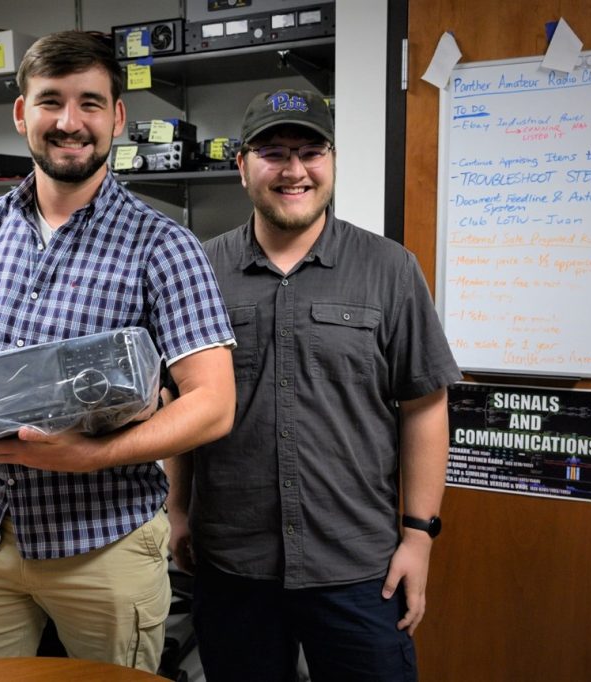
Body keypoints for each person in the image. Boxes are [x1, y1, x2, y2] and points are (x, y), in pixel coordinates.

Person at [0, 30, 235, 673]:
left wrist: (92, 456)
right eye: (50, 101)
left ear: (117, 117)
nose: (68, 122)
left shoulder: (163, 245)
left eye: (89, 103)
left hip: (104, 542)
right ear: (22, 113)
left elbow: (214, 405)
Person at [165, 89, 462, 681]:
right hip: (232, 563)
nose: (293, 170)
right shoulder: (199, 271)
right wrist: (176, 512)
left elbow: (425, 406)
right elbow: (184, 405)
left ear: (331, 160)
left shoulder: (389, 269)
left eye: (310, 151)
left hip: (358, 567)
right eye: (273, 152)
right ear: (242, 164)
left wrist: (419, 538)